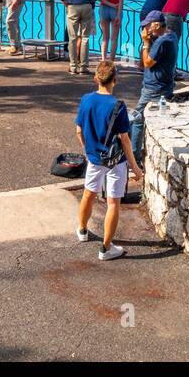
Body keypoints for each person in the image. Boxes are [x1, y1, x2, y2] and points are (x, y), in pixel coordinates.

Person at [75, 60, 143, 261]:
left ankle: (82, 230)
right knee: (113, 202)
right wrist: (135, 167)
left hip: (95, 157)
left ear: (96, 78)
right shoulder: (118, 106)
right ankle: (106, 248)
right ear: (115, 80)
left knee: (89, 194)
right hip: (115, 161)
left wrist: (87, 151)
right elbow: (125, 140)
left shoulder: (86, 100)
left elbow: (79, 131)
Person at [131, 11, 177, 161]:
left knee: (137, 119)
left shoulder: (161, 42)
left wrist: (145, 43)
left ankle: (134, 155)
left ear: (156, 25)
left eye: (147, 26)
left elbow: (147, 63)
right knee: (157, 119)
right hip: (164, 84)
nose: (146, 29)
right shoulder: (171, 36)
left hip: (154, 88)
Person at [55, 0, 104, 75]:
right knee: (85, 38)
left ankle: (73, 66)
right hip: (87, 6)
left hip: (72, 7)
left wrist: (63, 0)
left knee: (72, 38)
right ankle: (84, 67)